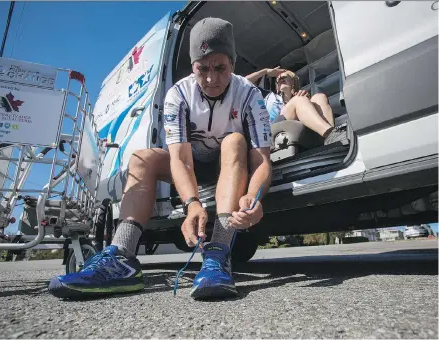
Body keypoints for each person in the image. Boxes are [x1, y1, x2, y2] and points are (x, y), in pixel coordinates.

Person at [48, 18, 272, 300]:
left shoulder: (250, 95)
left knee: (235, 140)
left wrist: (253, 196)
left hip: (230, 163)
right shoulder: (178, 94)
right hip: (191, 163)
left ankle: (218, 254)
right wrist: (192, 204)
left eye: (220, 68)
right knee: (142, 158)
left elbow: (262, 160)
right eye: (202, 69)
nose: (211, 79)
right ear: (193, 67)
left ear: (233, 64)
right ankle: (121, 258)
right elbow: (180, 159)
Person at [246, 67, 346, 145]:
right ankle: (329, 134)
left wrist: (307, 101)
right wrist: (266, 71)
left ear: (293, 83)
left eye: (284, 77)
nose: (280, 79)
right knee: (298, 100)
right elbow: (243, 82)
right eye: (278, 79)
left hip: (294, 118)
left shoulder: (300, 97)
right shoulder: (269, 96)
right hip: (270, 129)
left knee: (319, 97)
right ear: (276, 87)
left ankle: (332, 137)